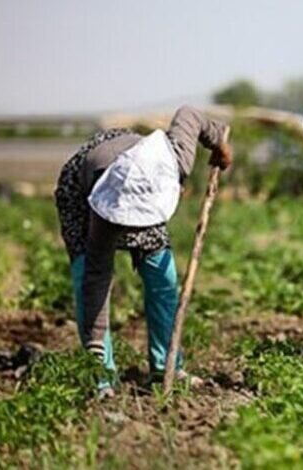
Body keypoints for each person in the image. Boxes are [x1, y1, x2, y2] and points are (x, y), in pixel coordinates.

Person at [54, 106, 232, 397]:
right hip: (87, 187)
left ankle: (167, 366)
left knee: (163, 276)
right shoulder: (103, 212)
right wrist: (96, 351)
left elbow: (189, 114)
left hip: (144, 174)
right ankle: (100, 375)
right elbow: (96, 281)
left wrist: (220, 144)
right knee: (87, 272)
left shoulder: (176, 158)